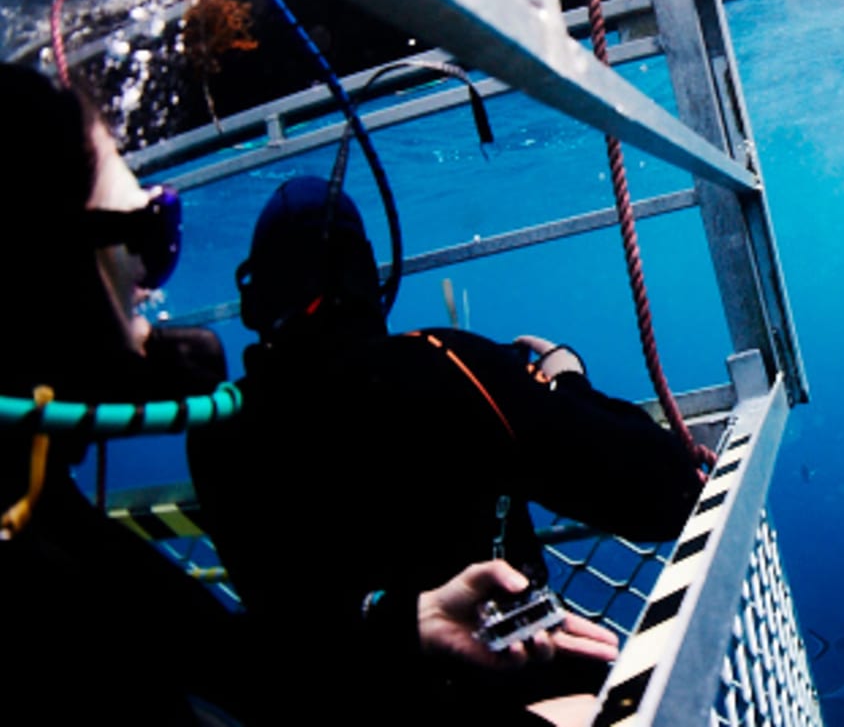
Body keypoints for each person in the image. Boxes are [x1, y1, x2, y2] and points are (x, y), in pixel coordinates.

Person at [186, 176, 704, 725]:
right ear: (369, 274)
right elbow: (669, 495)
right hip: (510, 691)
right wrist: (566, 382)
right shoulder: (446, 365)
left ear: (255, 295)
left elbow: (284, 613)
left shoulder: (216, 429)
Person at [0, 63, 247, 724]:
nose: (150, 289)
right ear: (42, 268)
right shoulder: (42, 578)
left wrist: (399, 626)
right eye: (151, 237)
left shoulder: (39, 500)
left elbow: (235, 660)